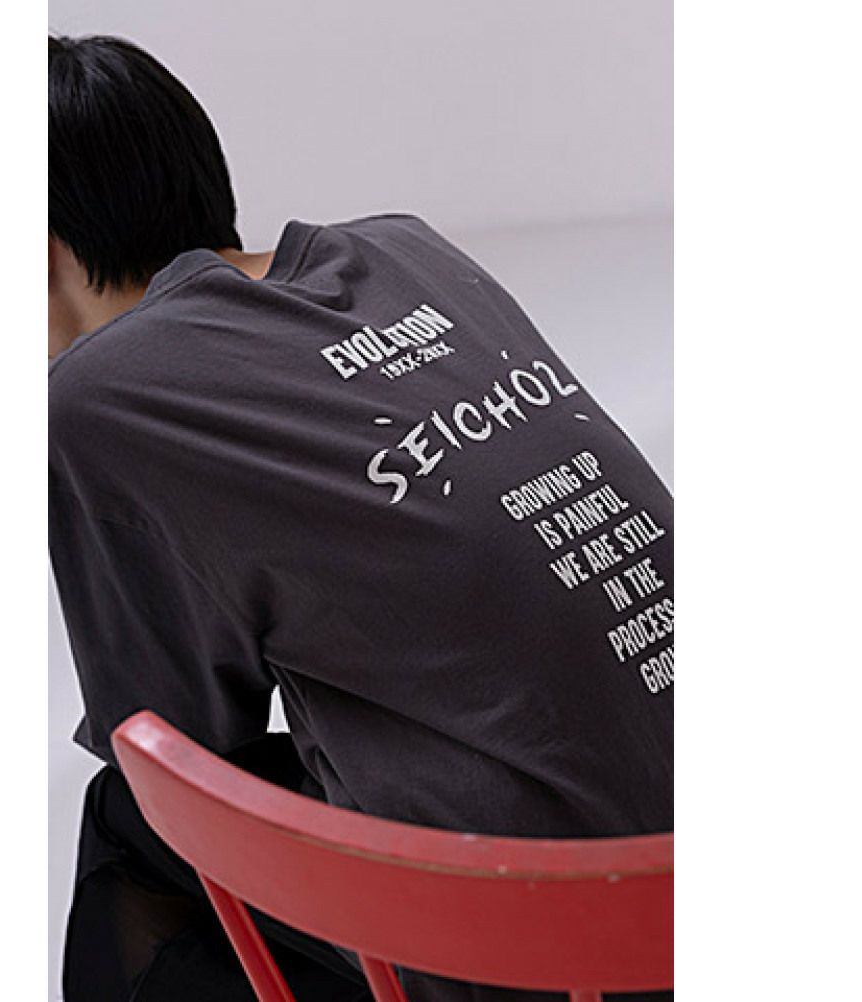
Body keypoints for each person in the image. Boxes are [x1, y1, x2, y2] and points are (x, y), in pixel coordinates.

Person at [48, 33, 673, 1002]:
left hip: (545, 938)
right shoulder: (403, 247)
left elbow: (174, 738)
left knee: (128, 819)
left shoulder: (101, 395)